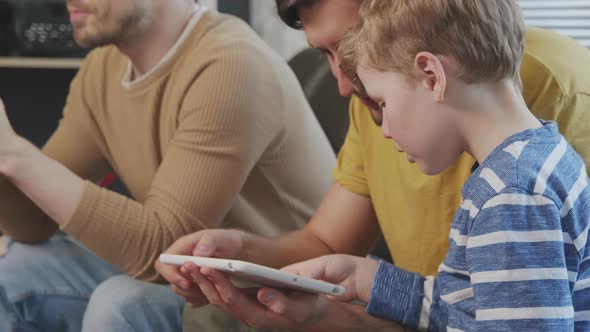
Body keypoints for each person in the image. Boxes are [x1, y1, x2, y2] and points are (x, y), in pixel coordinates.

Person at [158, 0, 590, 330]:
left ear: (430, 74)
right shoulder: (532, 156)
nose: (348, 89)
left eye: (381, 98)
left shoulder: (511, 196)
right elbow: (469, 304)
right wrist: (368, 279)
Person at [0, 0, 335, 330]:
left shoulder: (231, 64)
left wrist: (15, 155)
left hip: (282, 293)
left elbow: (164, 244)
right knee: (15, 271)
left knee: (121, 305)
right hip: (194, 276)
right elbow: (35, 222)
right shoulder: (103, 68)